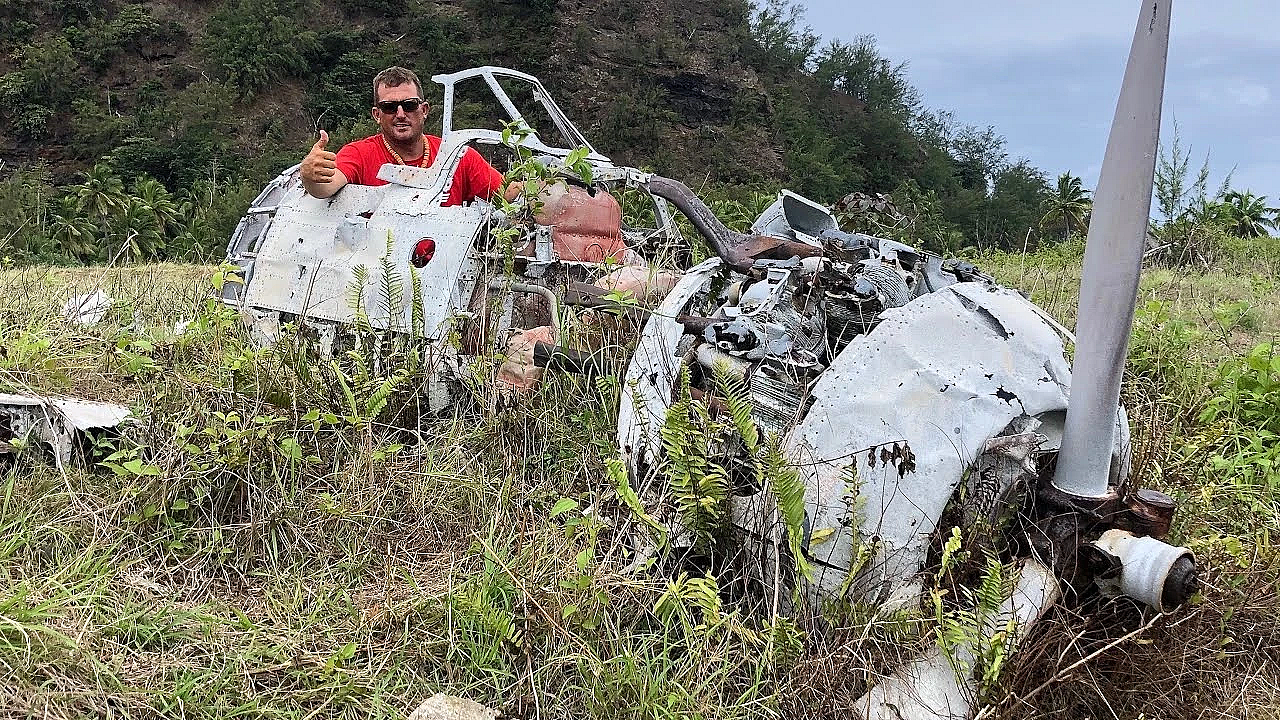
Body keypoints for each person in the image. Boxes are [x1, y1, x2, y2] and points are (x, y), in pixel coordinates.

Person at [300, 66, 506, 205]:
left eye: (409, 105)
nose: (400, 114)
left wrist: (536, 184)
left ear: (424, 110)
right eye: (389, 107)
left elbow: (507, 194)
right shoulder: (359, 154)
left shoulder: (457, 156)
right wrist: (310, 176)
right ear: (377, 115)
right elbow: (325, 186)